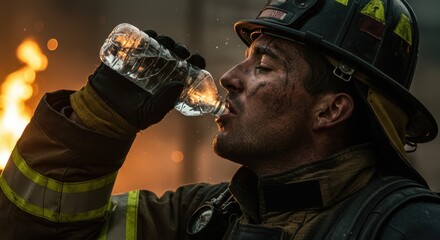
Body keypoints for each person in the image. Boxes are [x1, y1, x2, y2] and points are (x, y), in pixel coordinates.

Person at [1, 0, 439, 239]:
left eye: (263, 65)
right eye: (246, 60)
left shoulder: (408, 228)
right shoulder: (203, 216)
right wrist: (99, 120)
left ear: (330, 110)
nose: (229, 78)